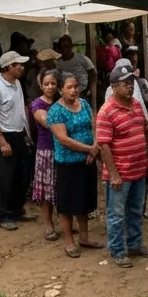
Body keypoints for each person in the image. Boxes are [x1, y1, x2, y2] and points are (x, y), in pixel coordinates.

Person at [96, 65, 148, 269]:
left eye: (131, 83)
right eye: (125, 84)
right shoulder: (107, 111)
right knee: (116, 214)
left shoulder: (137, 105)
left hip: (138, 170)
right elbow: (103, 145)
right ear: (113, 86)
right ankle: (117, 250)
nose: (129, 87)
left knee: (136, 211)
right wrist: (113, 174)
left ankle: (135, 244)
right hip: (120, 172)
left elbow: (144, 132)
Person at [47, 71, 101, 258]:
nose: (74, 90)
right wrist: (88, 149)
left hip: (86, 161)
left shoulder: (84, 104)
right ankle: (69, 241)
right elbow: (63, 139)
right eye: (69, 87)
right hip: (68, 164)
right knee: (67, 204)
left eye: (76, 86)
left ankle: (85, 237)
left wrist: (94, 146)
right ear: (61, 89)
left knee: (84, 201)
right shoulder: (56, 111)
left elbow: (94, 126)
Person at [0, 50, 35, 231]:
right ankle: (4, 214)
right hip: (5, 135)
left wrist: (26, 134)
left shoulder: (17, 84)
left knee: (22, 175)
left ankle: (16, 210)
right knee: (4, 177)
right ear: (7, 67)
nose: (21, 67)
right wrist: (2, 141)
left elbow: (21, 110)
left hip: (19, 133)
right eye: (17, 65)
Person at [31, 70, 60, 241]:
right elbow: (50, 123)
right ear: (40, 85)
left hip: (63, 150)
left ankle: (64, 221)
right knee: (46, 190)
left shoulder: (60, 102)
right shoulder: (37, 105)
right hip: (46, 151)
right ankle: (48, 224)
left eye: (53, 83)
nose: (50, 87)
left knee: (61, 188)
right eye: (46, 84)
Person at [55, 35, 97, 99]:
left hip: (83, 93)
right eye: (62, 47)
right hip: (68, 94)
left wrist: (90, 88)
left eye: (67, 46)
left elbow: (93, 73)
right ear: (60, 49)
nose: (65, 49)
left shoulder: (82, 59)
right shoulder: (59, 64)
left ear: (71, 47)